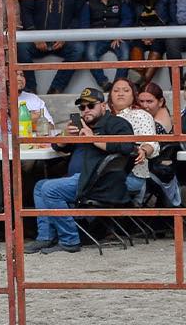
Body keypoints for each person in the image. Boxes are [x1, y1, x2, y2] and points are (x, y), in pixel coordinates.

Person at [26, 87, 136, 254]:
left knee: (49, 189)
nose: (86, 111)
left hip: (99, 182)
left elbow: (128, 147)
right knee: (40, 186)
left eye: (91, 106)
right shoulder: (82, 127)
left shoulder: (116, 123)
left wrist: (93, 138)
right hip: (80, 180)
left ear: (104, 106)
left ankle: (69, 240)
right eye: (82, 107)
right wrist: (65, 136)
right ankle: (45, 237)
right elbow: (56, 146)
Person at [16, 0, 84, 94]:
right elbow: (26, 10)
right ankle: (30, 89)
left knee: (78, 49)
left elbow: (79, 15)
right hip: (37, 39)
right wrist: (34, 35)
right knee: (20, 47)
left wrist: (67, 36)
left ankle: (56, 88)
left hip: (64, 40)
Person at [108, 78, 159, 201]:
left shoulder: (140, 115)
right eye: (116, 90)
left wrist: (144, 151)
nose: (120, 93)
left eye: (126, 90)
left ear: (133, 96)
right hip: (102, 173)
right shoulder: (104, 115)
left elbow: (152, 143)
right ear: (110, 96)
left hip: (129, 175)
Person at [80, 0, 133, 87]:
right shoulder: (89, 3)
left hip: (116, 37)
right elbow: (84, 23)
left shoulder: (120, 2)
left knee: (125, 54)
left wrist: (119, 33)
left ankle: (118, 84)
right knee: (90, 54)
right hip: (96, 37)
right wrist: (91, 37)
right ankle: (103, 83)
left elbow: (128, 18)